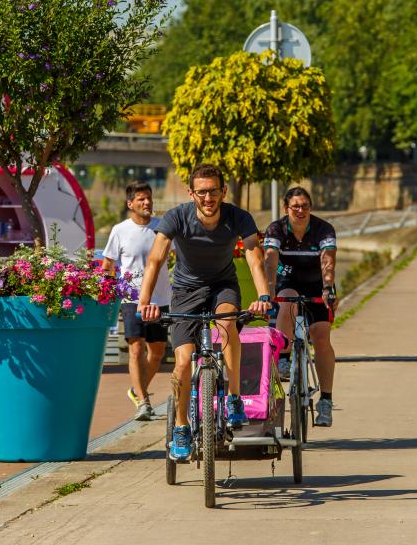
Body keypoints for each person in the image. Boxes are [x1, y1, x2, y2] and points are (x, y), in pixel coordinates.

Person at [138, 163, 272, 461]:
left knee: (227, 325)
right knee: (183, 364)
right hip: (185, 291)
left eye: (213, 191)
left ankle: (234, 397)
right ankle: (182, 427)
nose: (208, 198)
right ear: (191, 193)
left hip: (223, 286)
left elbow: (254, 257)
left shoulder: (238, 217)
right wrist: (144, 301)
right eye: (201, 192)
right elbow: (155, 260)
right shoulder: (176, 217)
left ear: (223, 191)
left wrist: (263, 295)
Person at [264, 187, 338, 427]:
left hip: (316, 285)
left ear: (311, 207)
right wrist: (269, 289)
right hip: (287, 280)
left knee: (321, 336)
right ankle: (284, 357)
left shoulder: (323, 229)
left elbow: (328, 259)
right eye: (295, 206)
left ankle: (325, 400)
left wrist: (328, 288)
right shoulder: (276, 229)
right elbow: (271, 258)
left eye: (305, 205)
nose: (300, 210)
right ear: (286, 208)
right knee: (287, 301)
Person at [102, 181, 172, 421]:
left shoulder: (163, 228)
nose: (147, 203)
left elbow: (178, 257)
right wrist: (108, 293)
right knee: (136, 348)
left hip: (161, 298)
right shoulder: (120, 230)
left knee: (158, 352)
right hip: (132, 299)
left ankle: (136, 389)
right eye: (141, 199)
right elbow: (108, 265)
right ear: (130, 204)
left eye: (149, 198)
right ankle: (143, 401)